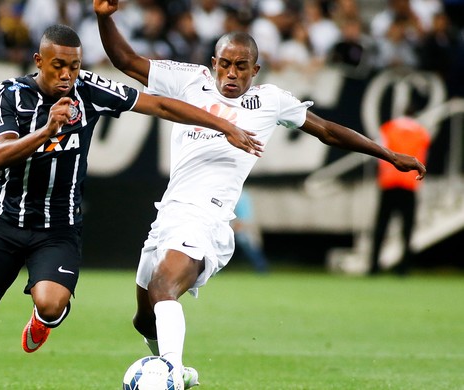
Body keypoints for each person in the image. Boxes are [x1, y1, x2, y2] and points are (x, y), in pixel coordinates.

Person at [93, 0, 427, 387]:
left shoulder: (271, 100)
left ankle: (167, 372)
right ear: (213, 62)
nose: (231, 74)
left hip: (209, 217)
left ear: (255, 69)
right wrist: (104, 17)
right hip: (169, 211)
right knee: (144, 317)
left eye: (240, 66)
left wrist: (387, 154)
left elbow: (328, 130)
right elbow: (127, 61)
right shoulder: (188, 80)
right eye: (224, 63)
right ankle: (177, 370)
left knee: (164, 286)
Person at [0, 24, 262, 390]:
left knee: (51, 304)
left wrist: (222, 124)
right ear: (38, 60)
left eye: (74, 66)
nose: (67, 75)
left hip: (58, 227)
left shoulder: (88, 89)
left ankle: (46, 318)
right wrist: (46, 130)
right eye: (58, 65)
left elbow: (158, 104)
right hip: (5, 219)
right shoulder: (8, 94)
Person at [368, 107, 430, 276]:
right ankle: (404, 267)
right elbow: (423, 155)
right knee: (407, 228)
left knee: (381, 226)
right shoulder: (421, 132)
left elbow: (377, 152)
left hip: (389, 182)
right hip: (410, 184)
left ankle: (373, 266)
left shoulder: (388, 127)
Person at [232, 189, 269, 273]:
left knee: (250, 247)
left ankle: (262, 268)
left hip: (243, 225)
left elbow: (244, 216)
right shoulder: (243, 194)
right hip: (240, 224)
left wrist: (236, 228)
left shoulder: (240, 195)